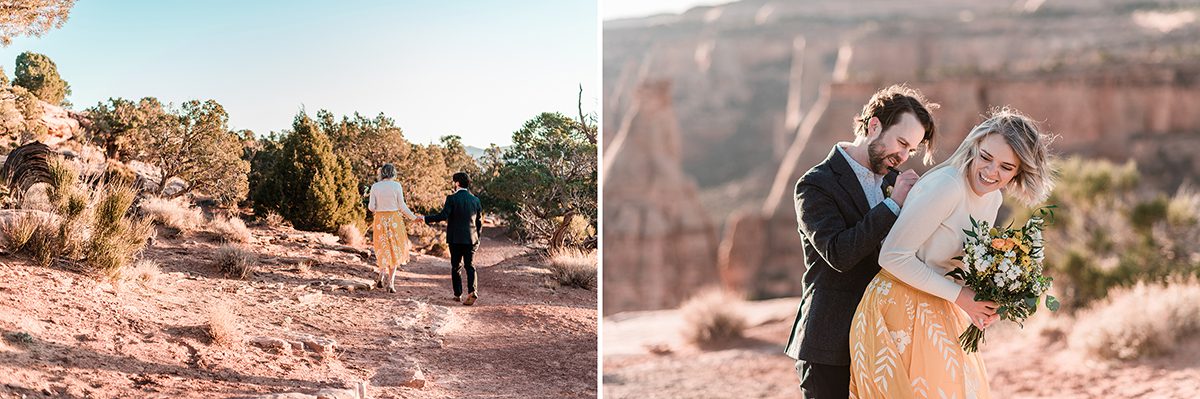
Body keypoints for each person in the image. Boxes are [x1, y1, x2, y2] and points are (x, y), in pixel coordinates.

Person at [848, 107, 1055, 398]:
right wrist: (961, 298)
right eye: (986, 157)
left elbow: (957, 263)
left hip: (939, 307)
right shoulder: (946, 186)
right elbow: (892, 256)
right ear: (974, 147)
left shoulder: (992, 199)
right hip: (894, 309)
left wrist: (984, 299)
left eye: (1006, 167)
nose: (991, 171)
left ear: (1019, 171)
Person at [784, 84, 940, 398]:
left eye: (911, 150)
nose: (904, 156)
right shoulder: (816, 184)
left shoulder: (899, 183)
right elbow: (839, 254)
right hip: (830, 345)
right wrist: (892, 205)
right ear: (873, 125)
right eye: (901, 143)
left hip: (887, 341)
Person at [420, 172, 483, 305]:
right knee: (470, 266)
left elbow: (443, 216)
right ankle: (472, 291)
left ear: (457, 183)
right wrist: (477, 239)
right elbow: (479, 223)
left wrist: (425, 218)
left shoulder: (452, 198)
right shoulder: (476, 200)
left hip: (455, 239)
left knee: (456, 266)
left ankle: (458, 294)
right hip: (471, 239)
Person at [367, 163, 422, 293]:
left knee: (382, 247)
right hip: (394, 220)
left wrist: (379, 207)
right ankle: (391, 283)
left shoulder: (375, 186)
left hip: (380, 220)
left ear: (382, 173)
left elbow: (371, 207)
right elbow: (402, 206)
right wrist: (414, 217)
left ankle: (381, 274)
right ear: (393, 173)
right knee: (395, 250)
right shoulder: (397, 186)